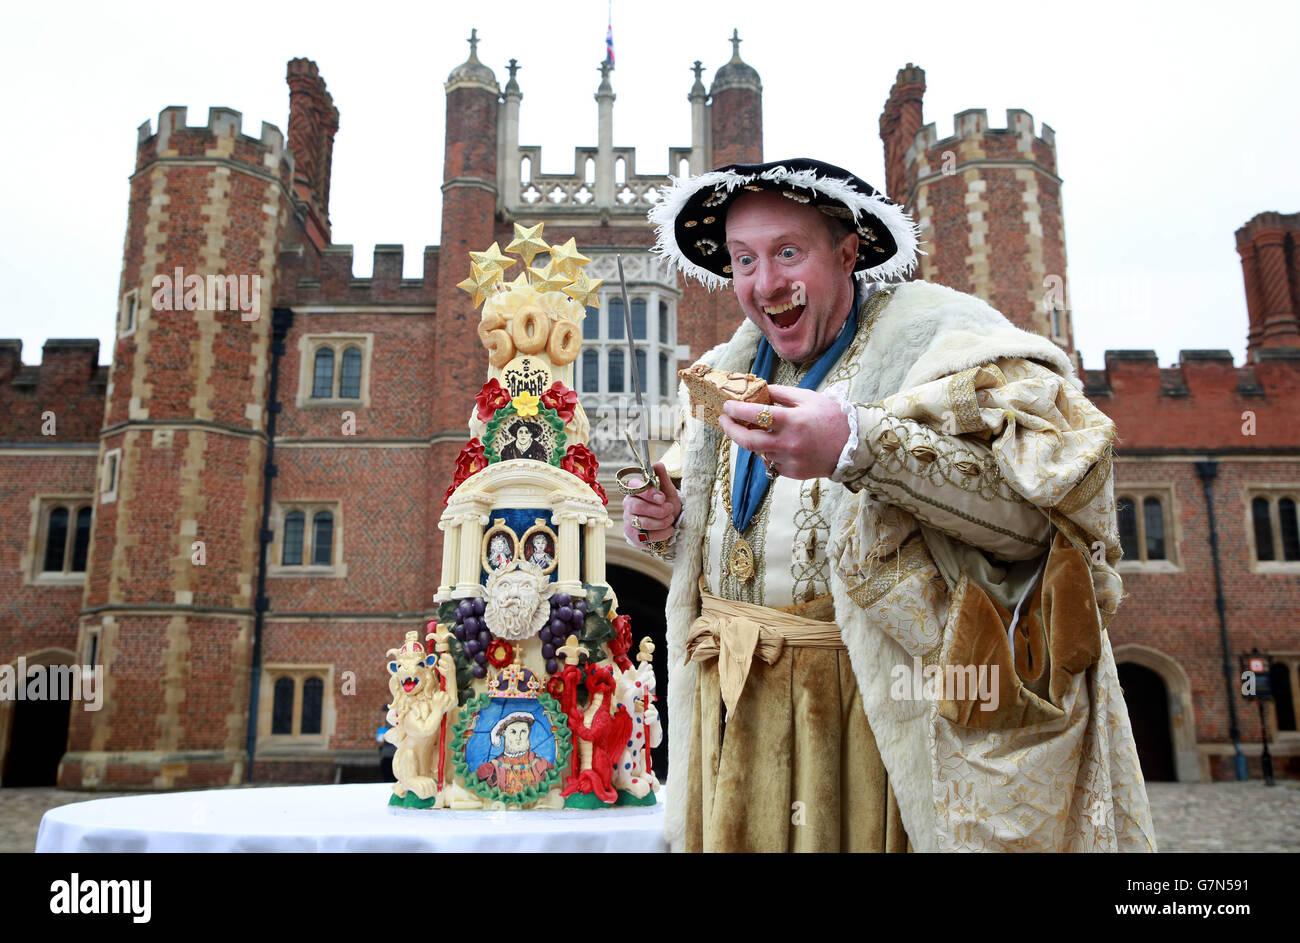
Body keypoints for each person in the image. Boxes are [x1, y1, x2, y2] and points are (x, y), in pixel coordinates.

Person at [625, 157, 1156, 853]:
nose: (766, 283)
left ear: (848, 252)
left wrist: (857, 443)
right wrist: (665, 520)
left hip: (868, 720)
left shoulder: (944, 342)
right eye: (744, 259)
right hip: (729, 713)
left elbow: (1043, 515)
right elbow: (718, 517)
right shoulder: (736, 361)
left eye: (789, 252)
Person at [475, 711, 552, 794]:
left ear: (529, 732)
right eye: (513, 732)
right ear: (504, 734)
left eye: (523, 731)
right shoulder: (494, 767)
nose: (518, 738)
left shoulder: (539, 763)